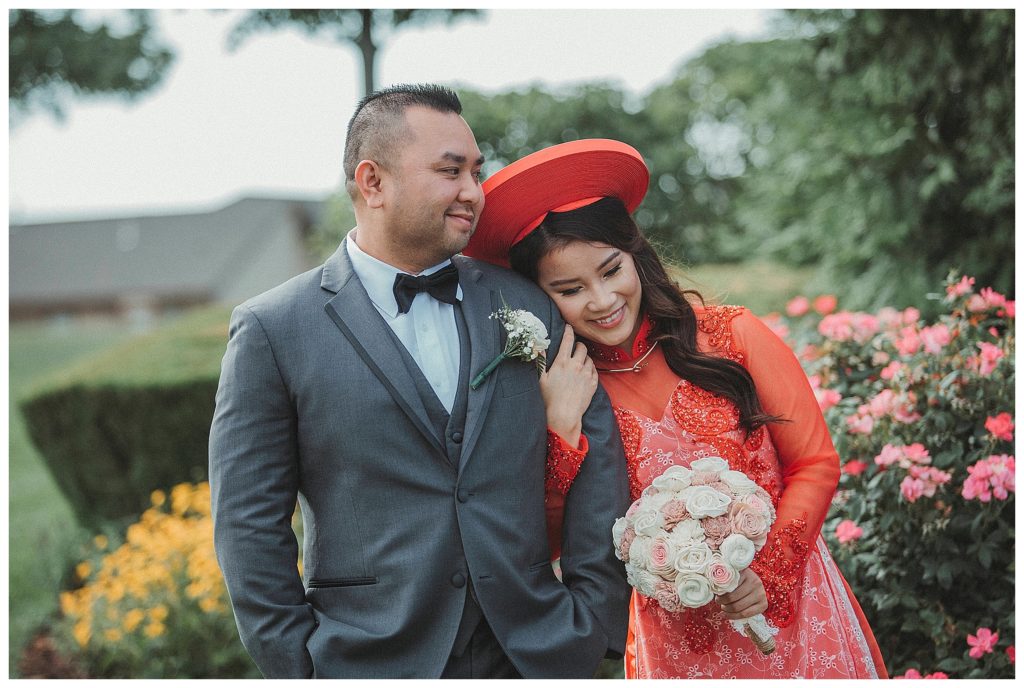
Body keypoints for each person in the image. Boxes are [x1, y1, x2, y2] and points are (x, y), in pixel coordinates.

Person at [208, 86, 631, 679]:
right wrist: (301, 662)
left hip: (539, 651)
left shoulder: (525, 300)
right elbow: (248, 519)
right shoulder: (273, 329)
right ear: (373, 181)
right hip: (370, 659)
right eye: (450, 171)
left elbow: (597, 457)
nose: (473, 192)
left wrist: (594, 619)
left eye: (475, 172)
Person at [463, 139, 889, 679]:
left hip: (793, 611)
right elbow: (549, 541)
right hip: (677, 644)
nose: (601, 299)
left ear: (635, 254)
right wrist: (561, 430)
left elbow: (815, 463)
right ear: (542, 298)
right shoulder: (561, 388)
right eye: (570, 289)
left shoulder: (734, 335)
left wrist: (768, 573)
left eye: (611, 270)